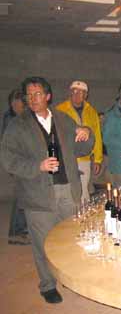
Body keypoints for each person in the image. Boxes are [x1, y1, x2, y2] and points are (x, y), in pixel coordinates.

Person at [1, 76, 94, 303]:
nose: (33, 99)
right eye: (29, 95)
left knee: (71, 238)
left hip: (67, 189)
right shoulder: (17, 125)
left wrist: (87, 134)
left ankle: (71, 276)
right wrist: (37, 166)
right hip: (38, 194)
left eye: (38, 94)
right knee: (43, 243)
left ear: (48, 96)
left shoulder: (63, 120)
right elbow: (8, 160)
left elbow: (81, 149)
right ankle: (47, 285)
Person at [56, 80, 103, 202]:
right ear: (69, 93)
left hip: (84, 159)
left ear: (86, 95)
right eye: (74, 91)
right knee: (68, 192)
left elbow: (97, 135)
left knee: (83, 192)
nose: (77, 94)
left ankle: (82, 218)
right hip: (66, 159)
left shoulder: (91, 112)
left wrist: (97, 159)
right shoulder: (59, 110)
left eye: (81, 92)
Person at [1, 89, 30, 245]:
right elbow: (11, 145)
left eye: (19, 102)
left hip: (21, 163)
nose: (16, 105)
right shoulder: (11, 120)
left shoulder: (18, 118)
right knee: (20, 197)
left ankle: (20, 228)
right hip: (17, 164)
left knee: (23, 195)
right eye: (14, 102)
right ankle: (16, 232)